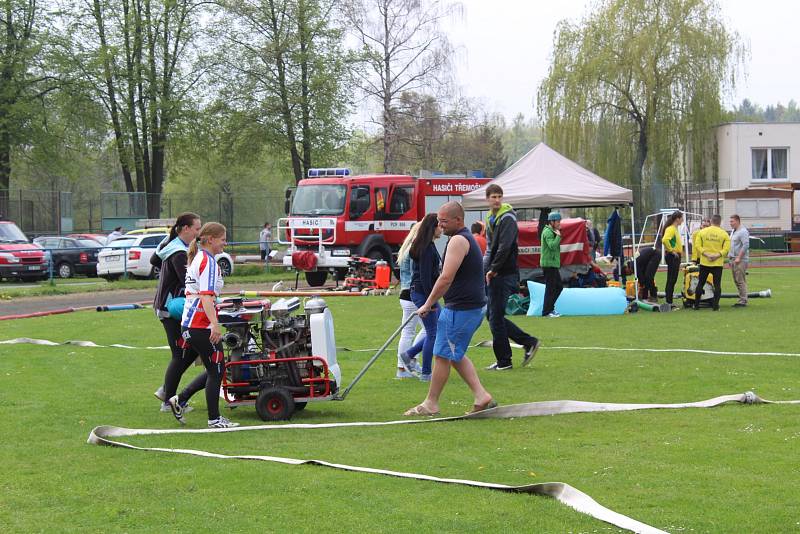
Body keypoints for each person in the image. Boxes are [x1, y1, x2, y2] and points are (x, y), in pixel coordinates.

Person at [403, 201, 494, 417]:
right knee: (453, 354)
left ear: (458, 220)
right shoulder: (460, 239)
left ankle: (431, 403)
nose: (440, 225)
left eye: (444, 221)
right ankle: (481, 396)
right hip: (466, 307)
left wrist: (428, 303)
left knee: (441, 354)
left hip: (462, 309)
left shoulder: (458, 240)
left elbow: (446, 277)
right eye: (438, 221)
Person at [170, 222, 239, 428]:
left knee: (214, 368)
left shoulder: (199, 257)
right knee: (217, 370)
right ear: (210, 239)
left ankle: (180, 400)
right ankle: (214, 419)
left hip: (191, 325)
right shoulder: (208, 262)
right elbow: (206, 297)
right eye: (222, 239)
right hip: (200, 325)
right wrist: (215, 325)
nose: (225, 243)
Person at [152, 213, 207, 414]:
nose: (198, 233)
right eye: (196, 228)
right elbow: (189, 281)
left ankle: (167, 390)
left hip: (172, 307)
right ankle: (167, 401)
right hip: (170, 309)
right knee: (179, 354)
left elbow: (154, 260)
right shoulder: (178, 253)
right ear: (185, 229)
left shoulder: (174, 247)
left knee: (191, 349)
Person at [483, 184, 539, 370]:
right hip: (496, 271)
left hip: (503, 273)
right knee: (492, 315)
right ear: (487, 199)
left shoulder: (507, 217)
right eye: (493, 196)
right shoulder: (492, 218)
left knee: (495, 317)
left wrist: (494, 268)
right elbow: (491, 248)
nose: (497, 199)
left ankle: (504, 361)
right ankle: (528, 342)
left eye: (499, 196)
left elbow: (504, 247)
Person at [405, 213, 443, 382]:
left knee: (438, 328)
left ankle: (409, 355)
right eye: (440, 225)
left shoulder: (429, 246)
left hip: (422, 292)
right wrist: (430, 302)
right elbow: (427, 278)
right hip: (423, 292)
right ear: (432, 228)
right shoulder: (427, 249)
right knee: (433, 333)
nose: (442, 228)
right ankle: (426, 373)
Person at [395, 222, 424, 378]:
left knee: (407, 332)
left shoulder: (406, 247)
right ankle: (410, 360)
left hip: (405, 294)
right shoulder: (415, 248)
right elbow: (417, 274)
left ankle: (402, 368)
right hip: (412, 294)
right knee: (428, 330)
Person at [693, 214, 730, 311]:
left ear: (711, 221)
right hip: (717, 263)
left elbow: (697, 245)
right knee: (717, 285)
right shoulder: (724, 234)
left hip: (705, 262)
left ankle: (696, 305)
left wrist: (706, 254)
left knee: (700, 283)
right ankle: (715, 306)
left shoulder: (702, 232)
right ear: (720, 222)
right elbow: (726, 249)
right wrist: (716, 255)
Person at [541, 211, 564, 317]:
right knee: (551, 288)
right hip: (548, 264)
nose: (560, 223)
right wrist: (558, 236)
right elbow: (552, 246)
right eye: (558, 221)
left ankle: (550, 309)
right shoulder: (548, 232)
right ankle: (546, 311)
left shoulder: (551, 231)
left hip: (552, 264)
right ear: (552, 222)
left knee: (558, 287)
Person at [660, 210, 684, 309]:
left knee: (672, 279)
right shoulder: (671, 229)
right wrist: (672, 251)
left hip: (675, 256)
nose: (682, 220)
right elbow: (665, 240)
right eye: (681, 218)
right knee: (671, 279)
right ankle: (669, 302)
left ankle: (669, 301)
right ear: (677, 219)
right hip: (673, 257)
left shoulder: (674, 229)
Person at [728, 214, 749, 307]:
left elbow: (745, 245)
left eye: (732, 221)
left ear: (737, 221)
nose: (730, 223)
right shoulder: (733, 231)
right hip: (733, 259)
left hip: (740, 260)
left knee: (740, 280)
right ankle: (741, 298)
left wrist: (739, 258)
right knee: (736, 280)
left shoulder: (743, 231)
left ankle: (743, 300)